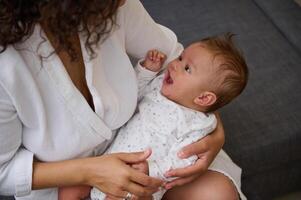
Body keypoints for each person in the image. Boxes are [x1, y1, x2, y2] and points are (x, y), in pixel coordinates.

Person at [0, 0, 240, 200]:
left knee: (217, 194)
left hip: (159, 159)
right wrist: (89, 172)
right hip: (61, 179)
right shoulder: (6, 65)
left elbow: (179, 64)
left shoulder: (117, 5)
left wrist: (215, 134)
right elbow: (3, 172)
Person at [85, 33, 248, 200]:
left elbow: (185, 160)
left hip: (140, 180)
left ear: (203, 98)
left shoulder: (197, 125)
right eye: (180, 58)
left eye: (187, 68)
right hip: (108, 159)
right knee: (72, 188)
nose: (174, 65)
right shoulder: (159, 86)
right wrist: (146, 71)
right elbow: (131, 96)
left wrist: (152, 170)